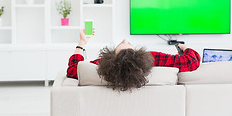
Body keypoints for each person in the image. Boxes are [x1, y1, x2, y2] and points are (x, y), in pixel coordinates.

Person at [67, 30, 201, 91]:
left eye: (122, 43)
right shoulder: (153, 58)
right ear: (138, 55)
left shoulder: (101, 66)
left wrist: (81, 43)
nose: (125, 40)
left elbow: (74, 69)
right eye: (128, 44)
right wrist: (185, 47)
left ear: (111, 58)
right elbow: (191, 62)